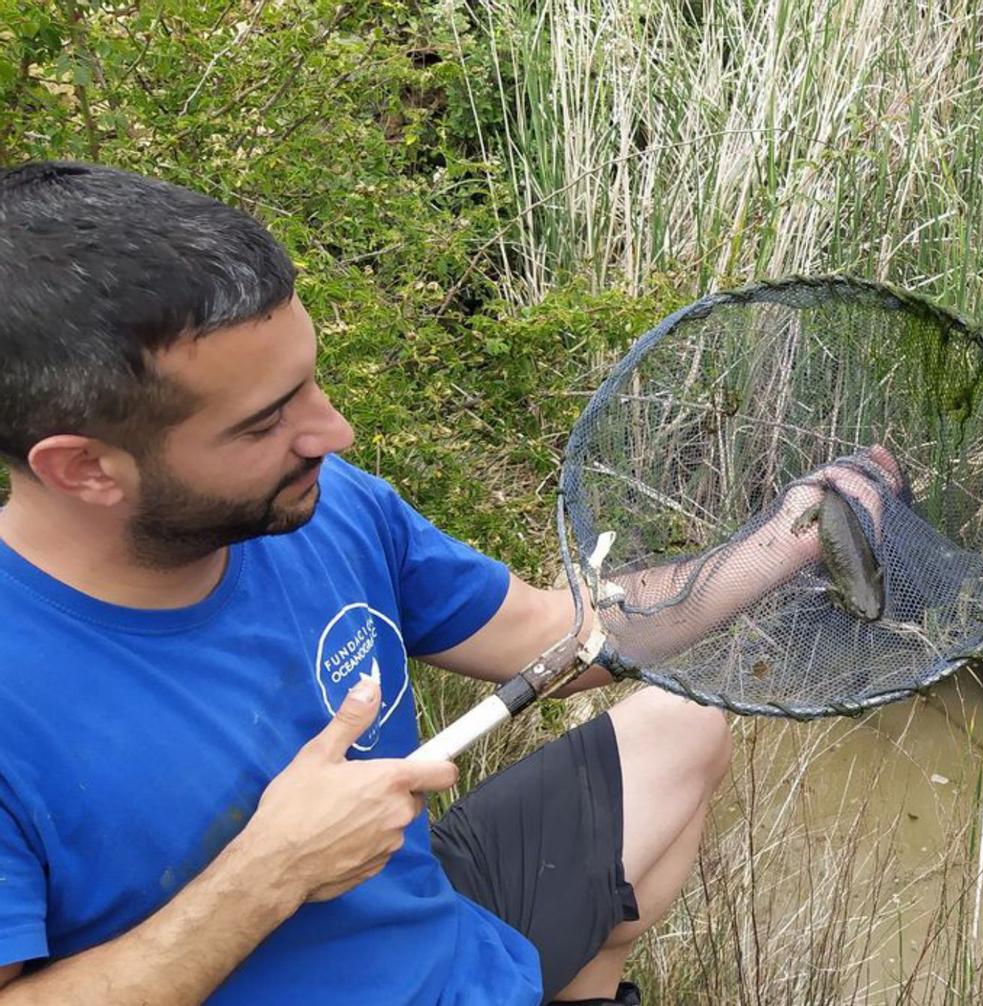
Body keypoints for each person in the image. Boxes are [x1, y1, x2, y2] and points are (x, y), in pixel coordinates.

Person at [0, 161, 898, 1005]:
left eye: (310, 382)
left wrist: (788, 540)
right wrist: (268, 873)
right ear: (84, 469)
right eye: (267, 422)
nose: (335, 431)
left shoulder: (327, 505)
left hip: (445, 941)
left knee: (682, 717)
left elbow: (562, 635)